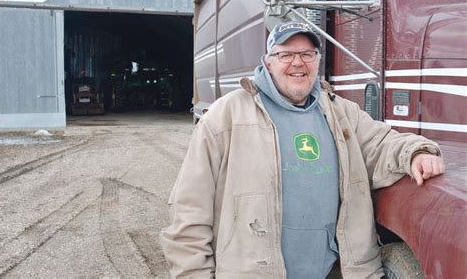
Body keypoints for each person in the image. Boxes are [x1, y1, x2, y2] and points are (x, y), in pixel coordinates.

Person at [160, 21, 445, 278]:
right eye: (286, 54)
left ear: (317, 61)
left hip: (333, 271)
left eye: (307, 54)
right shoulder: (227, 115)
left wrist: (417, 152)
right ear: (269, 63)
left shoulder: (340, 111)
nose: (298, 63)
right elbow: (189, 210)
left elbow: (382, 142)